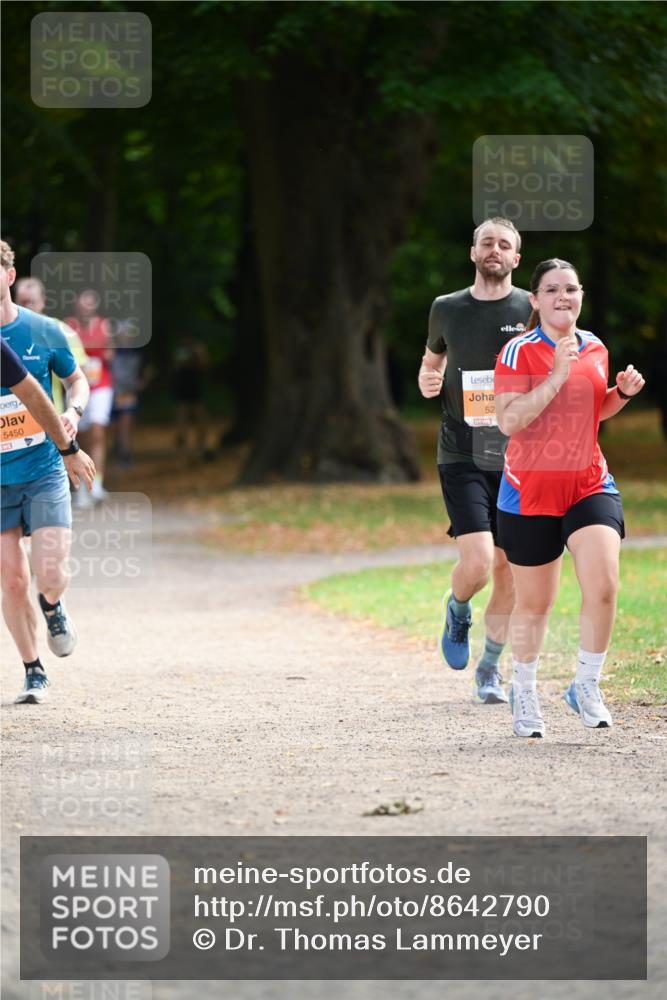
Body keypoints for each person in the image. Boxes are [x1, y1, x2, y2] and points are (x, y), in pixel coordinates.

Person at [494, 258, 645, 738]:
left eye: (572, 289)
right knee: (536, 603)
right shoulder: (518, 352)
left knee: (603, 586)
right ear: (534, 300)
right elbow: (508, 421)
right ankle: (524, 687)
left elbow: (592, 411)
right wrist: (556, 375)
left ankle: (585, 683)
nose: (564, 297)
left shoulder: (596, 347)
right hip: (531, 492)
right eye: (552, 290)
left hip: (587, 482)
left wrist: (618, 395)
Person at [418, 218, 531, 703]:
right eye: (487, 241)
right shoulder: (447, 308)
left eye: (504, 244)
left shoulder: (530, 306)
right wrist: (427, 378)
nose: (495, 249)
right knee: (481, 562)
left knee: (509, 570)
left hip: (518, 457)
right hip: (461, 453)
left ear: (515, 258)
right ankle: (458, 607)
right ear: (472, 252)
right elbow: (432, 361)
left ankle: (489, 669)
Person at [0, 240, 91, 705]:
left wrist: (73, 412)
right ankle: (33, 670)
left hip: (41, 467)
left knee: (49, 572)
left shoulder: (44, 331)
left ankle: (52, 605)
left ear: (9, 276)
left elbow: (75, 380)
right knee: (11, 579)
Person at [2, 337, 96, 492]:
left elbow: (79, 377)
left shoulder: (52, 330)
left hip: (49, 437)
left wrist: (74, 412)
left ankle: (86, 490)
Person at [14, 276, 89, 414]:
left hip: (53, 418)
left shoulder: (61, 331)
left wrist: (73, 413)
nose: (27, 307)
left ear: (43, 302)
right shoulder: (7, 332)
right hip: (11, 420)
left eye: (32, 302)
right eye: (22, 302)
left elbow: (80, 376)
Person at [66, 289, 114, 502]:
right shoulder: (69, 327)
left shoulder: (105, 325)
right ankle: (82, 488)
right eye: (82, 303)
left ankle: (98, 484)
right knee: (80, 437)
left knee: (98, 433)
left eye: (90, 303)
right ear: (77, 306)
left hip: (101, 384)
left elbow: (112, 353)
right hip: (77, 386)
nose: (86, 307)